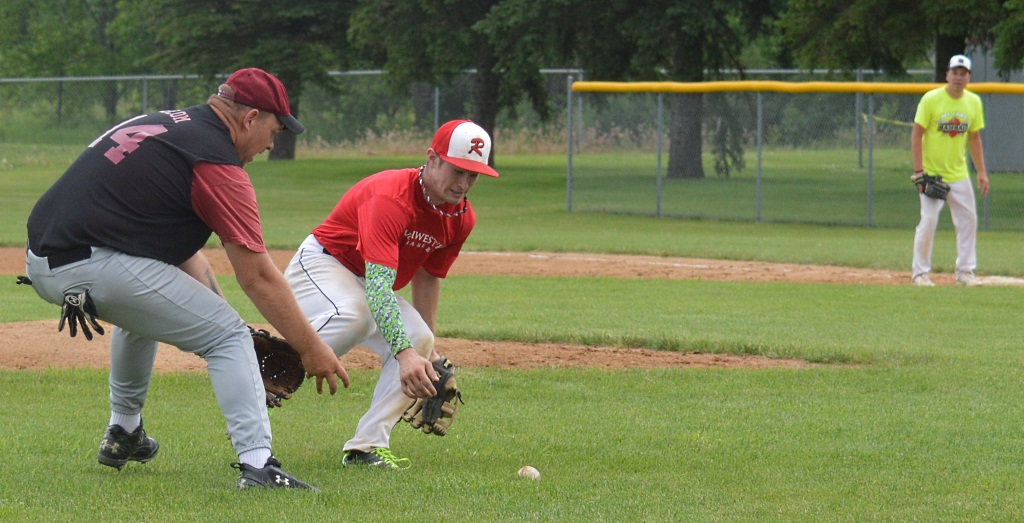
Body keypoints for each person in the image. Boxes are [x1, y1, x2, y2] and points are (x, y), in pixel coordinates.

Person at [24, 67, 349, 490]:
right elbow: (258, 278)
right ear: (250, 118)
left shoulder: (171, 125)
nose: (273, 142)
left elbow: (179, 256)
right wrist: (312, 349)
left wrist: (219, 311)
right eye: (274, 128)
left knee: (145, 315)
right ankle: (258, 466)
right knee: (227, 337)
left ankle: (124, 431)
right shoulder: (215, 160)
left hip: (46, 262)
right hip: (95, 264)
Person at [284, 119, 498, 469]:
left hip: (366, 279)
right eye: (457, 170)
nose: (463, 184)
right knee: (353, 315)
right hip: (324, 264)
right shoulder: (392, 197)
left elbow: (429, 276)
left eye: (473, 176)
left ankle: (365, 447)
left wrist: (423, 353)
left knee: (419, 338)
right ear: (432, 159)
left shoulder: (460, 217)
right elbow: (379, 286)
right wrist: (404, 354)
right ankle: (270, 370)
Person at [910, 54, 989, 287]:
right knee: (929, 220)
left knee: (968, 220)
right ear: (946, 75)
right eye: (954, 72)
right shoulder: (931, 99)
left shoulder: (973, 102)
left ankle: (965, 272)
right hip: (932, 173)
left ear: (969, 78)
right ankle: (920, 274)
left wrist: (982, 172)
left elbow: (974, 138)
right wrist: (919, 171)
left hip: (959, 174)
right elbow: (917, 134)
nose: (958, 77)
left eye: (963, 73)